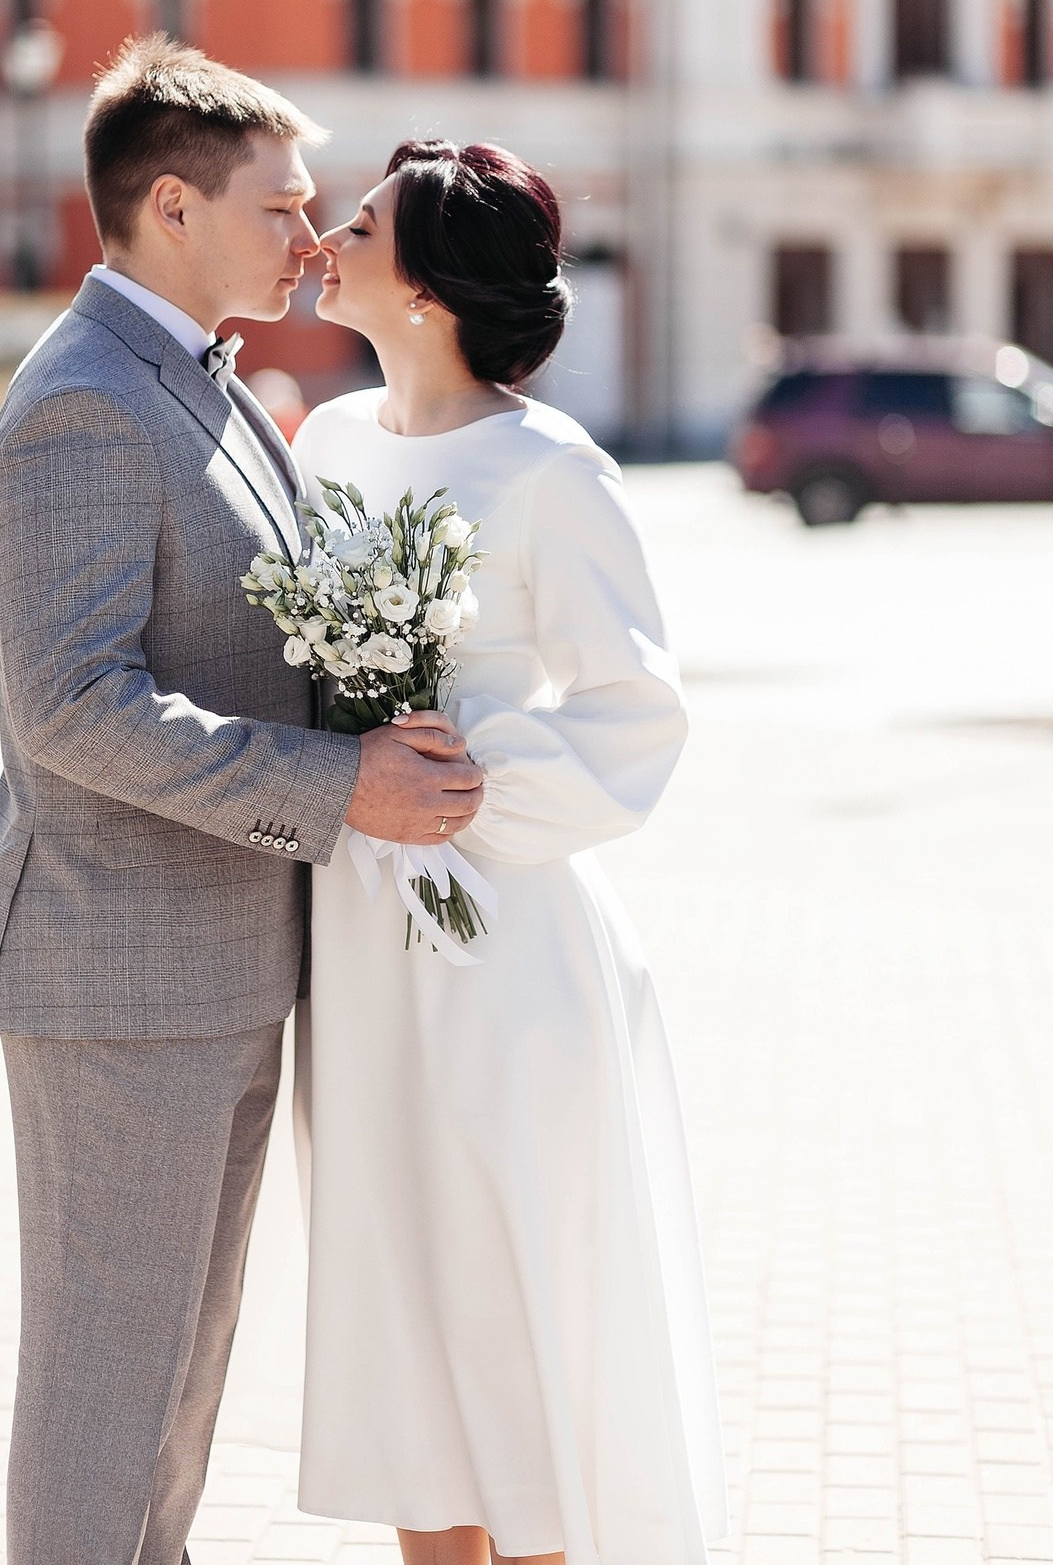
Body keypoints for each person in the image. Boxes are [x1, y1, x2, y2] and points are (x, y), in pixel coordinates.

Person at [0, 39, 483, 1565]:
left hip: (224, 960)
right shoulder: (84, 405)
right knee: (106, 1391)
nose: (312, 237)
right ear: (171, 207)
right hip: (121, 974)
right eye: (283, 205)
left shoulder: (202, 381)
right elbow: (73, 709)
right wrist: (346, 786)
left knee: (174, 1400)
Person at [292, 140, 727, 1565]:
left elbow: (637, 714)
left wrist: (472, 789)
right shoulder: (327, 443)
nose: (324, 234)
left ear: (422, 288)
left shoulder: (555, 471)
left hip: (508, 950)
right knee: (398, 1292)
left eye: (357, 223)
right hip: (356, 941)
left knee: (508, 1295)